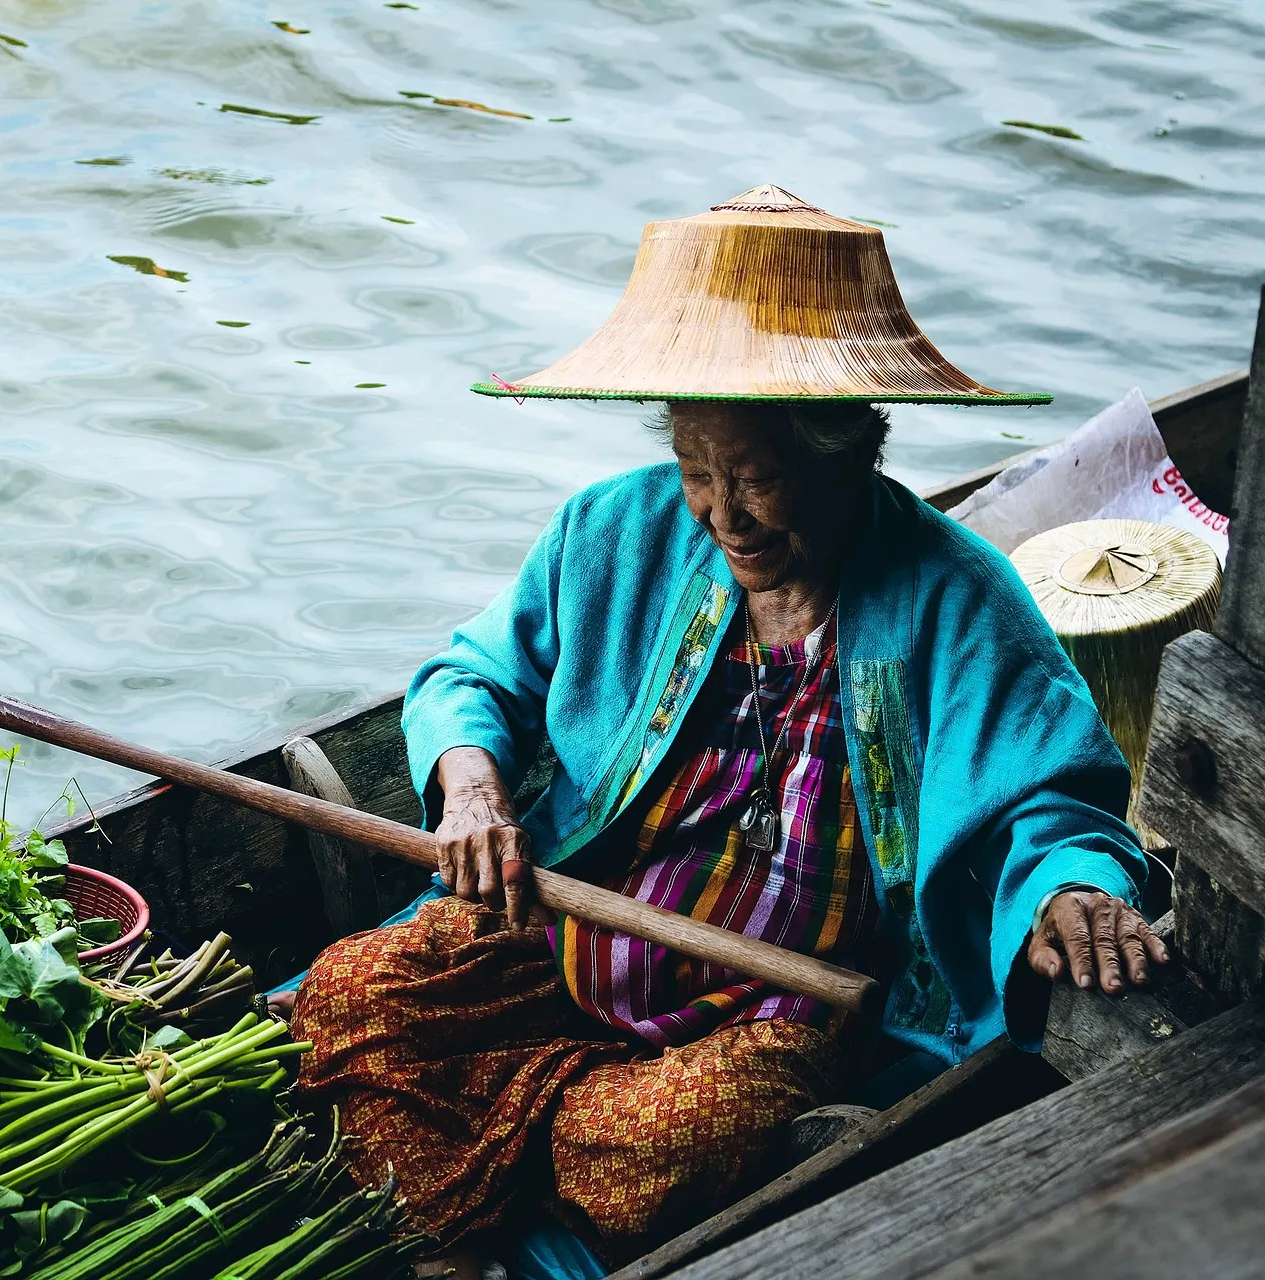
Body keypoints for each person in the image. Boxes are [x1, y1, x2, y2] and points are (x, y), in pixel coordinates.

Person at [284, 186, 1168, 1279]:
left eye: (754, 477)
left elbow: (1054, 796)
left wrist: (1068, 889)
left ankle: (479, 1149)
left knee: (657, 1150)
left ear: (851, 453)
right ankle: (472, 1217)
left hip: (774, 999)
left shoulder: (957, 598)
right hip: (570, 923)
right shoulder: (616, 528)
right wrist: (472, 784)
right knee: (349, 991)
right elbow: (474, 675)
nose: (721, 514)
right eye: (700, 471)